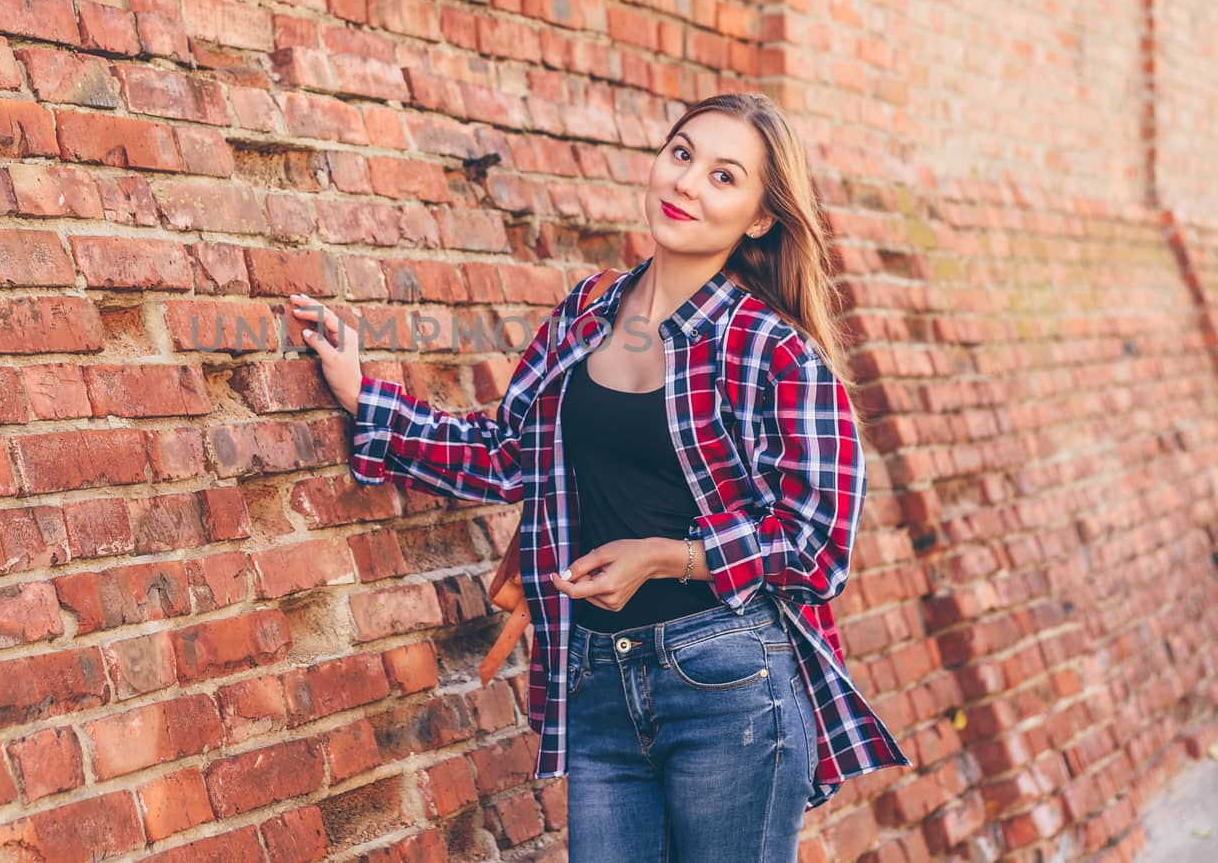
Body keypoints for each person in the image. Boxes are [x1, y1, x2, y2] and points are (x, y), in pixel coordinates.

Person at [288, 92, 911, 861]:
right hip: (595, 675)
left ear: (759, 217)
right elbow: (506, 452)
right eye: (680, 155)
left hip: (728, 679)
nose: (686, 184)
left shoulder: (770, 350)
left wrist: (667, 555)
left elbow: (818, 546)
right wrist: (363, 395)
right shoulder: (587, 313)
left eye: (723, 176)